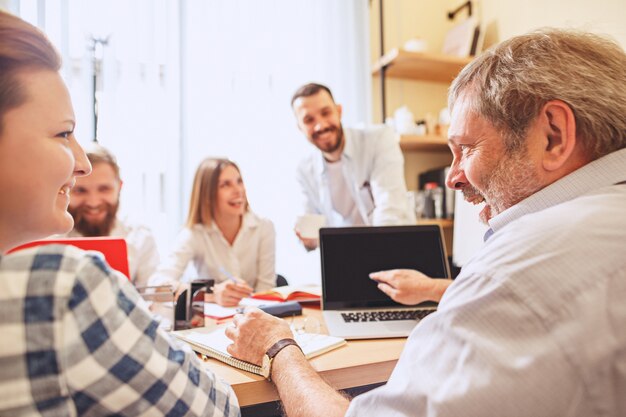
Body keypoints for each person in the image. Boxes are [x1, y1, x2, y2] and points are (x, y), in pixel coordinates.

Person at [226, 28, 626, 416]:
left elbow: (514, 288)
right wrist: (437, 288)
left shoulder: (515, 272)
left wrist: (278, 349)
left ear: (553, 136)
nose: (451, 178)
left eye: (466, 148)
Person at [0, 10, 238, 416]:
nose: (81, 164)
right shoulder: (60, 285)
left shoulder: (139, 236)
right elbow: (219, 409)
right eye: (62, 133)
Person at [291, 83, 415, 250]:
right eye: (309, 120)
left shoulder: (378, 139)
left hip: (394, 247)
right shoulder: (304, 170)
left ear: (339, 111)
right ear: (300, 127)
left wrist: (381, 255)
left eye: (325, 113)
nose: (320, 125)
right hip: (346, 254)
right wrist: (308, 238)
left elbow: (390, 210)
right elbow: (311, 225)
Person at [149, 158, 276, 306]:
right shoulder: (195, 234)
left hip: (253, 316)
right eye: (225, 185)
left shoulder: (263, 227)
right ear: (207, 195)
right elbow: (157, 286)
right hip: (213, 323)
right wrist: (210, 294)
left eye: (239, 181)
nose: (238, 190)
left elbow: (266, 291)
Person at [66, 143, 160, 288]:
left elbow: (154, 298)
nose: (93, 202)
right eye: (80, 190)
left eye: (104, 189)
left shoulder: (140, 237)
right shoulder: (49, 238)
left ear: (119, 187)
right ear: (66, 190)